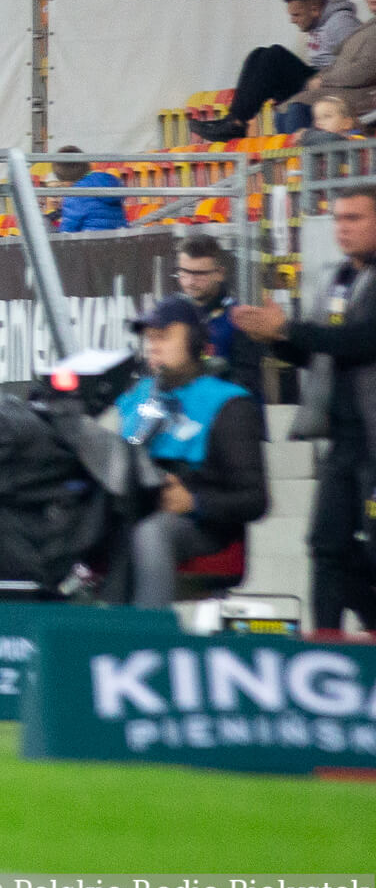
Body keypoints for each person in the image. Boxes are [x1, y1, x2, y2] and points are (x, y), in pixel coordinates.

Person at [232, 187, 376, 631]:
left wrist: (289, 329)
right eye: (338, 219)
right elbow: (321, 352)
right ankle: (325, 643)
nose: (342, 228)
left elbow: (363, 342)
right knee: (325, 547)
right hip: (344, 439)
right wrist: (274, 339)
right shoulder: (339, 279)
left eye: (354, 218)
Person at [113, 298, 268, 608]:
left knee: (151, 531)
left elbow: (255, 500)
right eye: (150, 338)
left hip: (199, 523)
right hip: (130, 507)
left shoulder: (229, 403)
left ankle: (150, 631)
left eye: (164, 336)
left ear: (195, 342)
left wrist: (192, 501)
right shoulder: (135, 397)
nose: (154, 346)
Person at [190, 0, 362, 142]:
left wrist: (324, 77)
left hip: (329, 85)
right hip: (317, 80)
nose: (292, 20)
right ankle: (235, 120)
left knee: (274, 55)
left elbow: (354, 62)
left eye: (297, 15)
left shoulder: (341, 22)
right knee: (258, 54)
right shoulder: (318, 22)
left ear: (315, 9)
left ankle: (236, 123)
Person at [282, 0, 376, 134]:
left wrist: (325, 79)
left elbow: (367, 68)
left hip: (363, 94)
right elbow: (341, 60)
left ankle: (300, 152)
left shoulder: (343, 22)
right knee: (285, 108)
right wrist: (320, 76)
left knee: (298, 106)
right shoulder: (369, 25)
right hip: (343, 88)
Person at [175, 235, 262, 399]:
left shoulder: (239, 320)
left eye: (199, 274)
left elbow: (246, 387)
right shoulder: (175, 317)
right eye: (184, 272)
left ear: (220, 273)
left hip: (229, 410)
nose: (190, 282)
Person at [49, 147, 128, 233]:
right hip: (119, 238)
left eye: (61, 183)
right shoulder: (109, 181)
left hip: (91, 239)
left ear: (66, 178)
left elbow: (68, 230)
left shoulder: (75, 194)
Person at [299, 95, 364, 147]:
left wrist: (305, 135)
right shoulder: (313, 139)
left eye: (327, 116)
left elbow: (331, 139)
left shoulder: (356, 139)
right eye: (317, 118)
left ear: (346, 123)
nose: (319, 122)